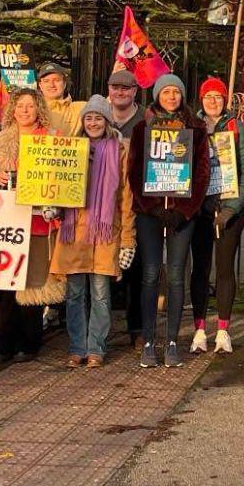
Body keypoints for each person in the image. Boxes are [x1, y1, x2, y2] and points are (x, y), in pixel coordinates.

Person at [127, 75, 210, 368]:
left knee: (176, 275)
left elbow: (202, 175)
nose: (172, 96)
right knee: (150, 273)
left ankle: (172, 341)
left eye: (177, 91)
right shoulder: (142, 128)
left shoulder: (196, 129)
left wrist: (183, 210)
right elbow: (134, 172)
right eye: (167, 92)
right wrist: (151, 207)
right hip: (150, 212)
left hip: (181, 213)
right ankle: (149, 340)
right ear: (157, 95)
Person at [51, 97, 136, 366]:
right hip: (74, 233)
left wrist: (127, 241)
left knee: (100, 294)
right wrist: (51, 205)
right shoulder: (70, 149)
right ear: (83, 121)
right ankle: (77, 347)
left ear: (107, 121)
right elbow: (56, 185)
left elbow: (126, 197)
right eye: (89, 118)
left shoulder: (120, 151)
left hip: (105, 233)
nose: (93, 122)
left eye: (98, 118)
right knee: (75, 294)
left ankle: (96, 348)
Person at [0, 89, 60, 363]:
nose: (25, 111)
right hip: (6, 222)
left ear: (38, 109)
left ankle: (30, 344)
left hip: (38, 221)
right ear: (12, 110)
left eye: (30, 106)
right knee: (5, 284)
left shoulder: (53, 140)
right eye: (20, 106)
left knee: (33, 283)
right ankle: (3, 344)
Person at [188, 77, 244, 354]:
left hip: (228, 208)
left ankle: (224, 330)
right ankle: (199, 329)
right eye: (208, 97)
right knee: (201, 269)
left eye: (218, 97)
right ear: (201, 100)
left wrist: (232, 207)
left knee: (225, 267)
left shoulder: (236, 127)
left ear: (225, 100)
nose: (213, 102)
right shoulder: (192, 127)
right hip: (200, 208)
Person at [104, 69, 147, 349]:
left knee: (138, 269)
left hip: (138, 204)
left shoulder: (146, 119)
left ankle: (137, 327)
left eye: (126, 88)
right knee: (101, 269)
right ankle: (100, 331)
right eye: (116, 87)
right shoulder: (98, 116)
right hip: (104, 204)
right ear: (109, 89)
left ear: (135, 92)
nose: (121, 92)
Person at [38, 63, 80, 135]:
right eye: (46, 81)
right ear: (40, 85)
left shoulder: (80, 108)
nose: (51, 85)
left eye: (57, 80)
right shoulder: (32, 109)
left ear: (64, 84)